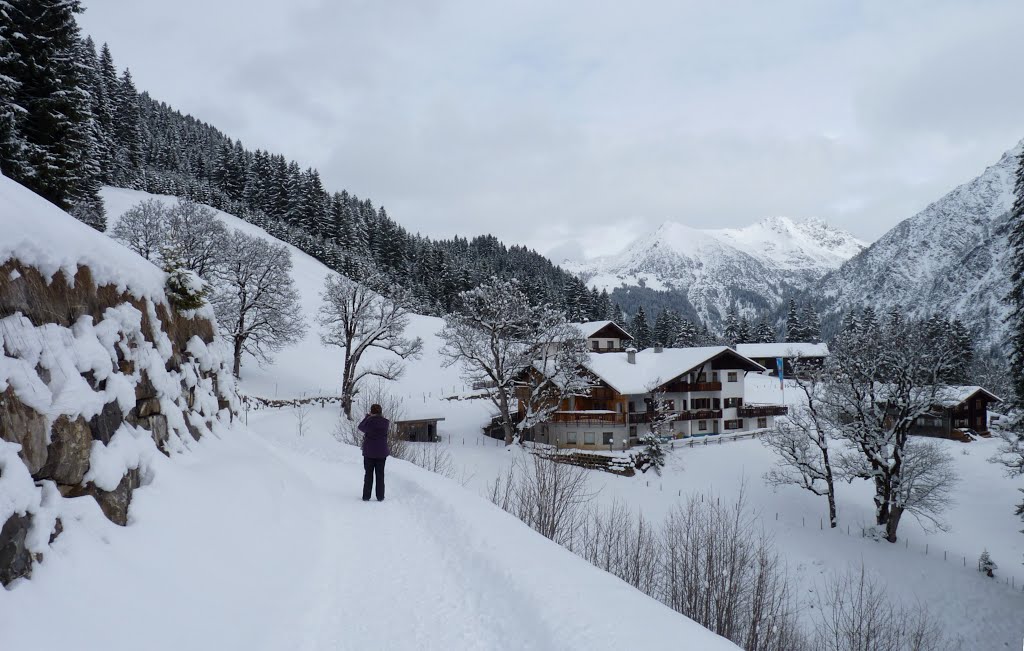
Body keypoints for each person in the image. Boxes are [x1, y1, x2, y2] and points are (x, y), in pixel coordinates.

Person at [358, 403, 389, 501]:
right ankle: (380, 496)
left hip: (369, 453)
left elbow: (360, 427)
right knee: (380, 475)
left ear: (371, 412)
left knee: (368, 474)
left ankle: (366, 496)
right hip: (381, 453)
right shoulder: (386, 422)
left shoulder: (369, 422)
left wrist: (367, 417)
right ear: (381, 411)